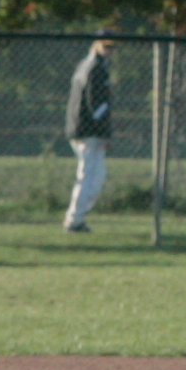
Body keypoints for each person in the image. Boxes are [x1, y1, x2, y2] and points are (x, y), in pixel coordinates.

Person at [64, 37, 115, 233]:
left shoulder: (84, 64)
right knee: (90, 177)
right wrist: (104, 133)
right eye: (106, 46)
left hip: (80, 127)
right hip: (89, 131)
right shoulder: (96, 68)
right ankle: (75, 220)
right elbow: (98, 105)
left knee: (94, 175)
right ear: (96, 45)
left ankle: (76, 218)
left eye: (112, 46)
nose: (110, 50)